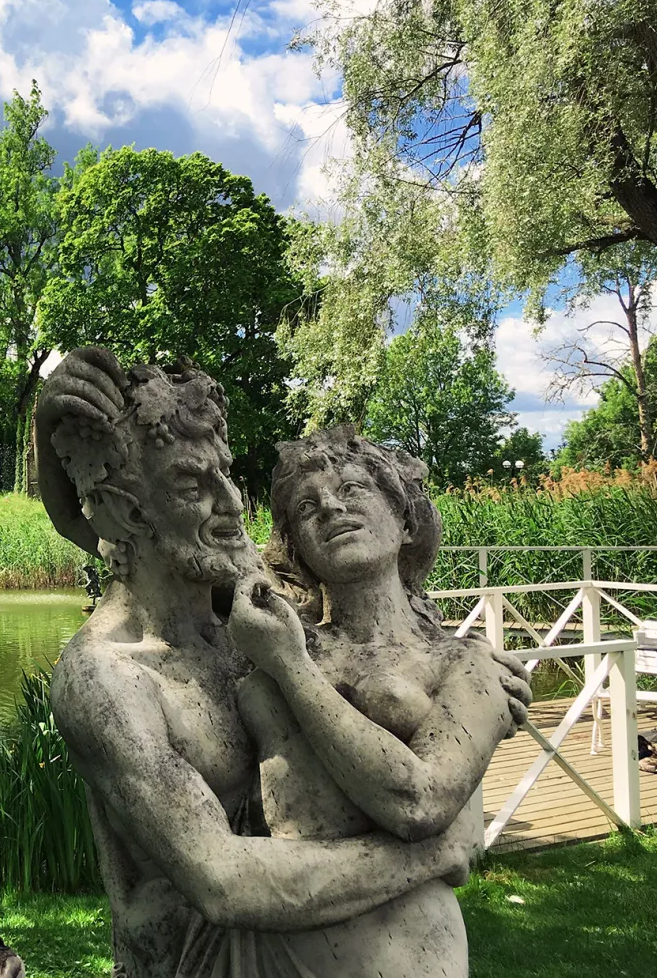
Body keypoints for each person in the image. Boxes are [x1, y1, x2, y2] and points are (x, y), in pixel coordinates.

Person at [35, 349, 531, 978]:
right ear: (131, 512)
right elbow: (222, 881)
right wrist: (433, 855)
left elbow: (107, 526)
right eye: (193, 485)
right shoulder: (106, 678)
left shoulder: (242, 611)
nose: (232, 504)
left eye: (226, 474)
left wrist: (474, 672)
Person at [198, 428, 519, 977]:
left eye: (352, 488)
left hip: (401, 952)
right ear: (296, 548)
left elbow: (419, 803)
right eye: (306, 506)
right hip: (273, 938)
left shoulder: (464, 664)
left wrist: (292, 669)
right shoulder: (274, 636)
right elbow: (147, 535)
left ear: (406, 520)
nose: (330, 506)